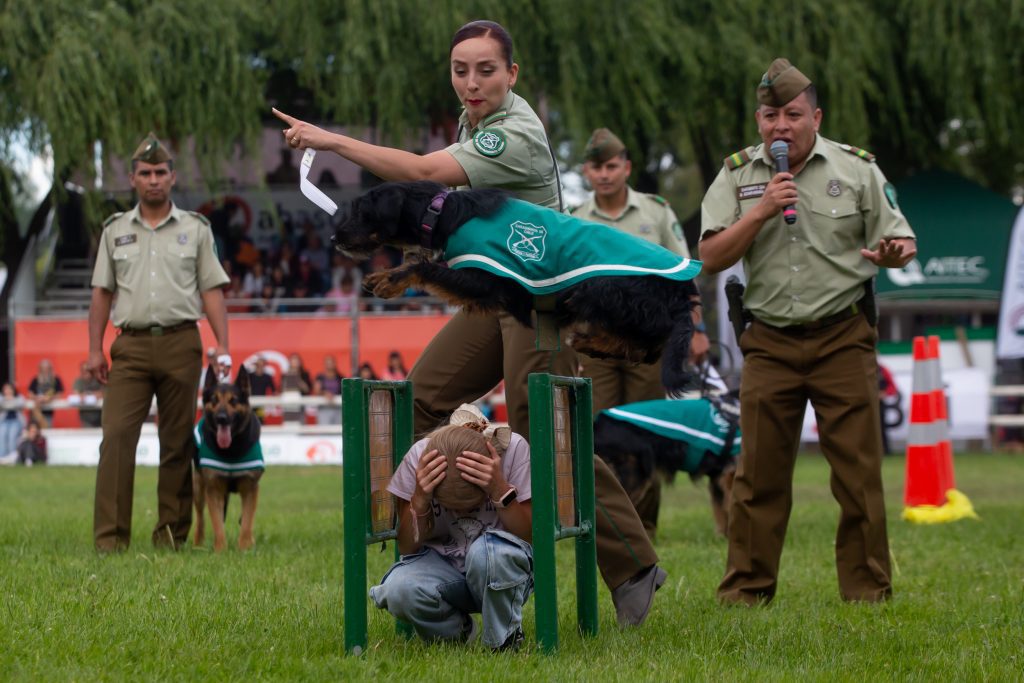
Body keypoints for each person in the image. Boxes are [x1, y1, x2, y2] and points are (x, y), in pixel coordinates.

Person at [274, 19, 665, 625]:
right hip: (499, 293)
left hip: (538, 301)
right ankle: (449, 534)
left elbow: (425, 175)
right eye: (461, 70)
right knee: (419, 401)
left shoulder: (514, 134)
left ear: (513, 73)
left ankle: (634, 565)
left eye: (486, 70)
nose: (472, 82)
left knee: (550, 432)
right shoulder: (474, 122)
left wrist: (332, 141)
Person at [698, 58, 917, 604]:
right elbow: (709, 256)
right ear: (758, 120)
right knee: (757, 478)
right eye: (771, 115)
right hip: (769, 341)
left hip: (842, 336)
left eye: (793, 114)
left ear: (814, 117)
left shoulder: (857, 169)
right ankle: (746, 592)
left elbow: (901, 242)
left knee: (858, 474)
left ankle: (867, 591)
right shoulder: (737, 175)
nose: (781, 126)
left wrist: (891, 254)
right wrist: (760, 212)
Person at [87, 133, 230, 552]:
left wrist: (223, 344)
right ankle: (110, 540)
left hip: (182, 341)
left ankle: (171, 536)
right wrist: (95, 349)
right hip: (128, 346)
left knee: (177, 441)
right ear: (132, 179)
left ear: (173, 177)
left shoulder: (195, 228)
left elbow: (212, 289)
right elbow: (101, 292)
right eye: (145, 173)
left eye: (160, 172)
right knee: (115, 438)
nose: (153, 179)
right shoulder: (114, 230)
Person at [370, 406, 531, 650]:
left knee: (486, 552)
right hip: (441, 569)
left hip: (501, 568)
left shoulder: (513, 447)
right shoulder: (419, 456)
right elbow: (406, 546)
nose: (462, 513)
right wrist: (421, 499)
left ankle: (503, 641)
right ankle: (455, 635)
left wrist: (499, 490)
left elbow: (529, 536)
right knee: (398, 588)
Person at [573, 127, 709, 411]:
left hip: (648, 338)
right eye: (597, 167)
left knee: (646, 426)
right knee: (597, 429)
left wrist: (696, 330)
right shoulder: (575, 220)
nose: (605, 174)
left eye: (612, 166)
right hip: (594, 339)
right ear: (586, 171)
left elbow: (684, 274)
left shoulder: (656, 212)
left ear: (627, 168)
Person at [27, 359, 65, 427]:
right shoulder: (35, 379)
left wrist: (49, 398)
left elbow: (59, 394)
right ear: (40, 369)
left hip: (49, 411)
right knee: (34, 430)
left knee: (47, 429)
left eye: (47, 368)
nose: (45, 370)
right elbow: (30, 394)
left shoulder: (56, 380)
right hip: (36, 410)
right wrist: (37, 398)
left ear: (50, 369)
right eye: (43, 368)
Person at [71, 361, 104, 428]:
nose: (85, 372)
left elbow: (104, 393)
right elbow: (77, 395)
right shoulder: (79, 381)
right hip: (86, 418)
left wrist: (88, 394)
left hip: (101, 417)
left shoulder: (99, 380)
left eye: (87, 370)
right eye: (83, 370)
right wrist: (92, 396)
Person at [314, 355, 344, 425]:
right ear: (325, 364)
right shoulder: (320, 377)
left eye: (331, 363)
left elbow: (344, 391)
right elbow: (316, 391)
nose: (330, 365)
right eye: (328, 363)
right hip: (324, 408)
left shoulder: (340, 377)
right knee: (324, 430)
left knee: (337, 430)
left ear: (335, 364)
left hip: (337, 407)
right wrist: (325, 393)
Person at [1, 382, 26, 460]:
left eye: (10, 389)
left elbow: (21, 403)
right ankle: (2, 457)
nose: (8, 391)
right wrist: (10, 402)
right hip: (4, 421)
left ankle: (12, 458)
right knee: (2, 435)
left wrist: (8, 402)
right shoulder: (1, 397)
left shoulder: (19, 397)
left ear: (13, 390)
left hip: (16, 421)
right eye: (6, 389)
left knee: (12, 435)